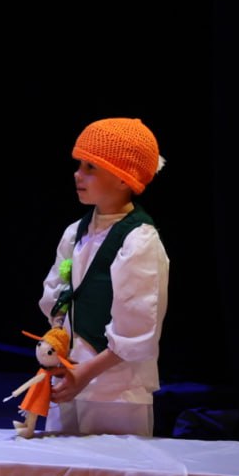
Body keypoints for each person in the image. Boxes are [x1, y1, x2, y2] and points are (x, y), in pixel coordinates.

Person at [37, 117, 169, 437]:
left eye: (90, 167)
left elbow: (137, 329)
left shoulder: (138, 240)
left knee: (111, 464)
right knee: (61, 462)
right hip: (69, 377)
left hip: (116, 391)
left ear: (123, 178)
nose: (77, 174)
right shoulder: (76, 232)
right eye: (79, 165)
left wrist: (86, 373)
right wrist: (57, 345)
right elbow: (56, 294)